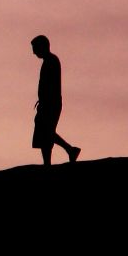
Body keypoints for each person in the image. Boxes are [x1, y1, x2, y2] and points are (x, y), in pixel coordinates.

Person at [31, 35, 81, 165]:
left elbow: (50, 85)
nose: (34, 52)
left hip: (50, 104)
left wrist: (45, 102)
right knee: (45, 133)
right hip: (48, 103)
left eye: (35, 48)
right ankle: (56, 157)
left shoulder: (51, 61)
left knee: (46, 131)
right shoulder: (49, 61)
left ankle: (69, 150)